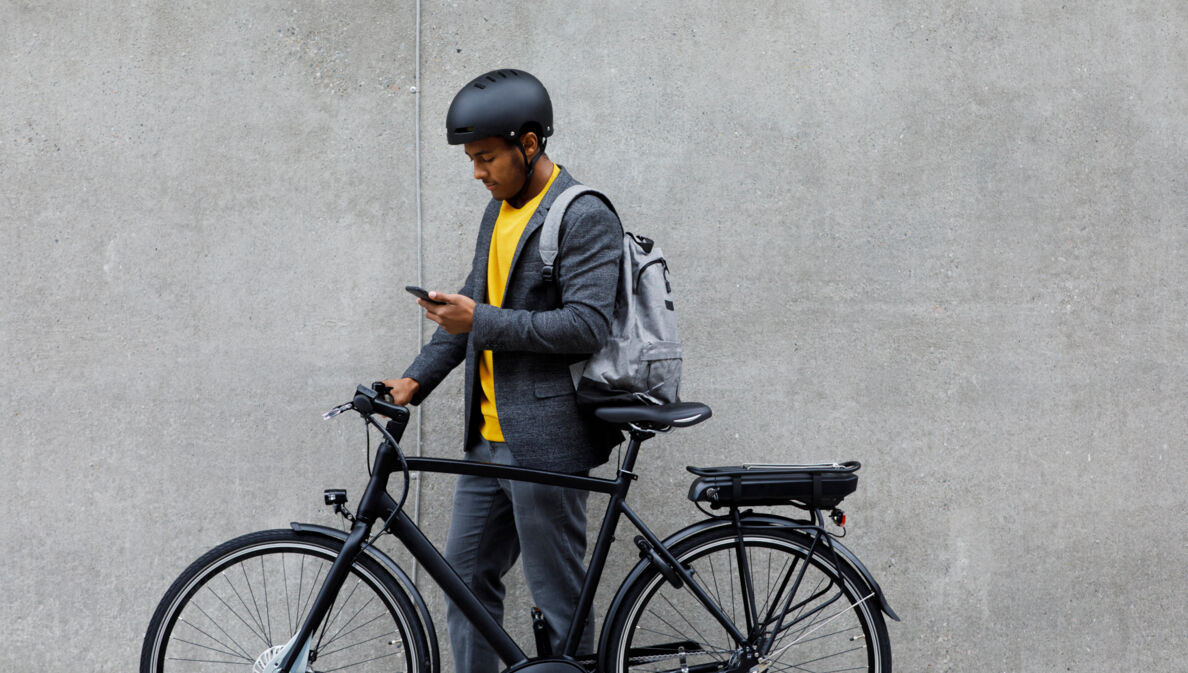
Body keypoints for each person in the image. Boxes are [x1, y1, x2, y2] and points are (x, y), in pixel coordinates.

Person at [381, 68, 623, 673]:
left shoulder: (583, 212)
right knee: (464, 586)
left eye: (486, 157)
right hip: (485, 443)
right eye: (472, 159)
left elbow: (586, 326)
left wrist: (481, 321)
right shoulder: (499, 212)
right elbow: (472, 304)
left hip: (543, 443)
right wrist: (414, 382)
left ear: (530, 143)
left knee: (560, 605)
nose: (478, 173)